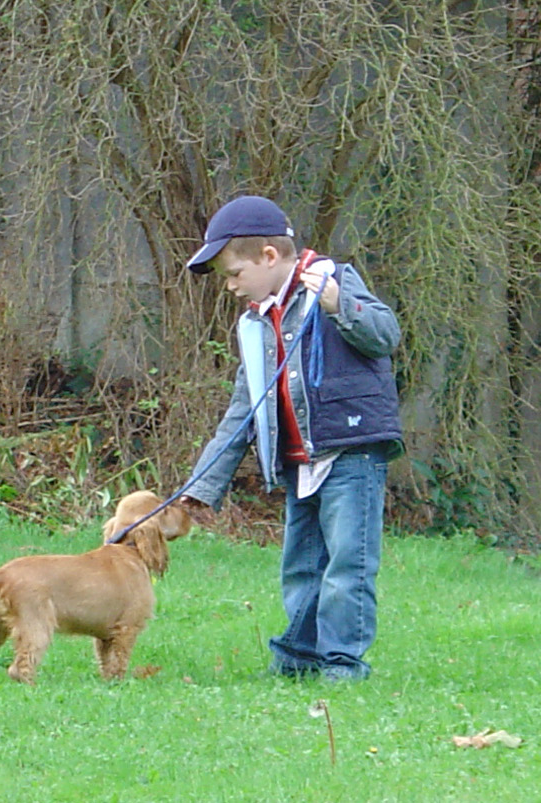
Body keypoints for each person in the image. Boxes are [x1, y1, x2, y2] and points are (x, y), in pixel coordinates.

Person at [175, 194, 403, 682]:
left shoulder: (334, 281)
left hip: (351, 453)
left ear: (270, 257)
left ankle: (343, 665)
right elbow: (244, 410)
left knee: (348, 565)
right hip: (299, 461)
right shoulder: (256, 323)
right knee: (301, 567)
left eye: (235, 273)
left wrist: (340, 305)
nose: (231, 286)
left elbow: (385, 335)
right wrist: (202, 486)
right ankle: (298, 659)